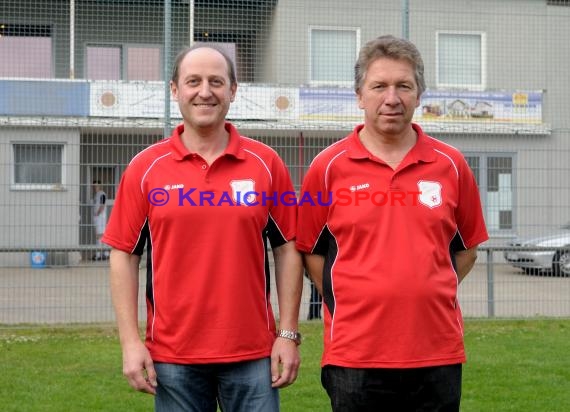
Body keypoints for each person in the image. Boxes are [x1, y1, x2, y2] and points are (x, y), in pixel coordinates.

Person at [102, 45, 303, 412]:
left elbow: (288, 248)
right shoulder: (145, 168)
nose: (205, 91)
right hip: (174, 356)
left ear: (233, 91)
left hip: (253, 354)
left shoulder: (267, 164)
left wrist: (287, 334)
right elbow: (123, 256)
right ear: (175, 90)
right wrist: (130, 343)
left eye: (216, 81)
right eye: (193, 81)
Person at [296, 35, 489, 411]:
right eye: (379, 86)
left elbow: (467, 251)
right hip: (354, 356)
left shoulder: (451, 166)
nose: (392, 97)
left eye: (404, 86)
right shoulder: (327, 168)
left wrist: (425, 287)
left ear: (419, 95)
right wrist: (355, 297)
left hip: (436, 352)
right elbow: (310, 254)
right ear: (359, 95)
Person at [92, 180, 109, 260]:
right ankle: (103, 254)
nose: (95, 188)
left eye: (96, 186)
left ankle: (101, 254)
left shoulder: (102, 194)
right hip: (97, 218)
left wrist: (97, 213)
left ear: (100, 186)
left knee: (100, 235)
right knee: (99, 236)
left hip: (100, 218)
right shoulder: (96, 195)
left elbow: (102, 205)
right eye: (94, 186)